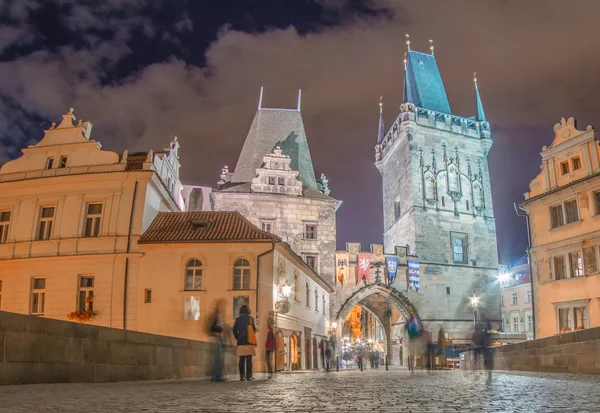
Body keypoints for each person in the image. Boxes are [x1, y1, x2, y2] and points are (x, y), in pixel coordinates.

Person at [232, 304, 257, 381]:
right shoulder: (251, 319)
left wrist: (237, 337)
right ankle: (248, 376)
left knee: (241, 359)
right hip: (249, 341)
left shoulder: (237, 319)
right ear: (248, 311)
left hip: (241, 341)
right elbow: (254, 330)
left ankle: (241, 376)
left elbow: (234, 329)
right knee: (249, 359)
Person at [209, 298, 226, 382]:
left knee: (219, 358)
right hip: (215, 337)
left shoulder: (217, 315)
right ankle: (216, 376)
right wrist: (220, 328)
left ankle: (218, 376)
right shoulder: (215, 315)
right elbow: (212, 327)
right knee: (218, 358)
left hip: (217, 337)